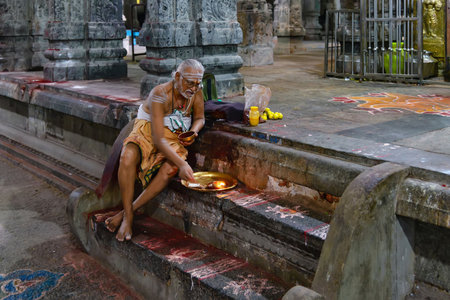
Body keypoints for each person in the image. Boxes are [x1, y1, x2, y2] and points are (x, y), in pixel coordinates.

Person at [104, 59, 205, 242]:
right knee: (127, 156)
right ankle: (129, 216)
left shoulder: (196, 92)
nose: (194, 87)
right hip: (149, 131)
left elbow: (200, 117)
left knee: (171, 168)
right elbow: (158, 140)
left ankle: (127, 213)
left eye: (198, 83)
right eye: (190, 82)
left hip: (175, 137)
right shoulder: (159, 94)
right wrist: (182, 163)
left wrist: (194, 130)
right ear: (177, 76)